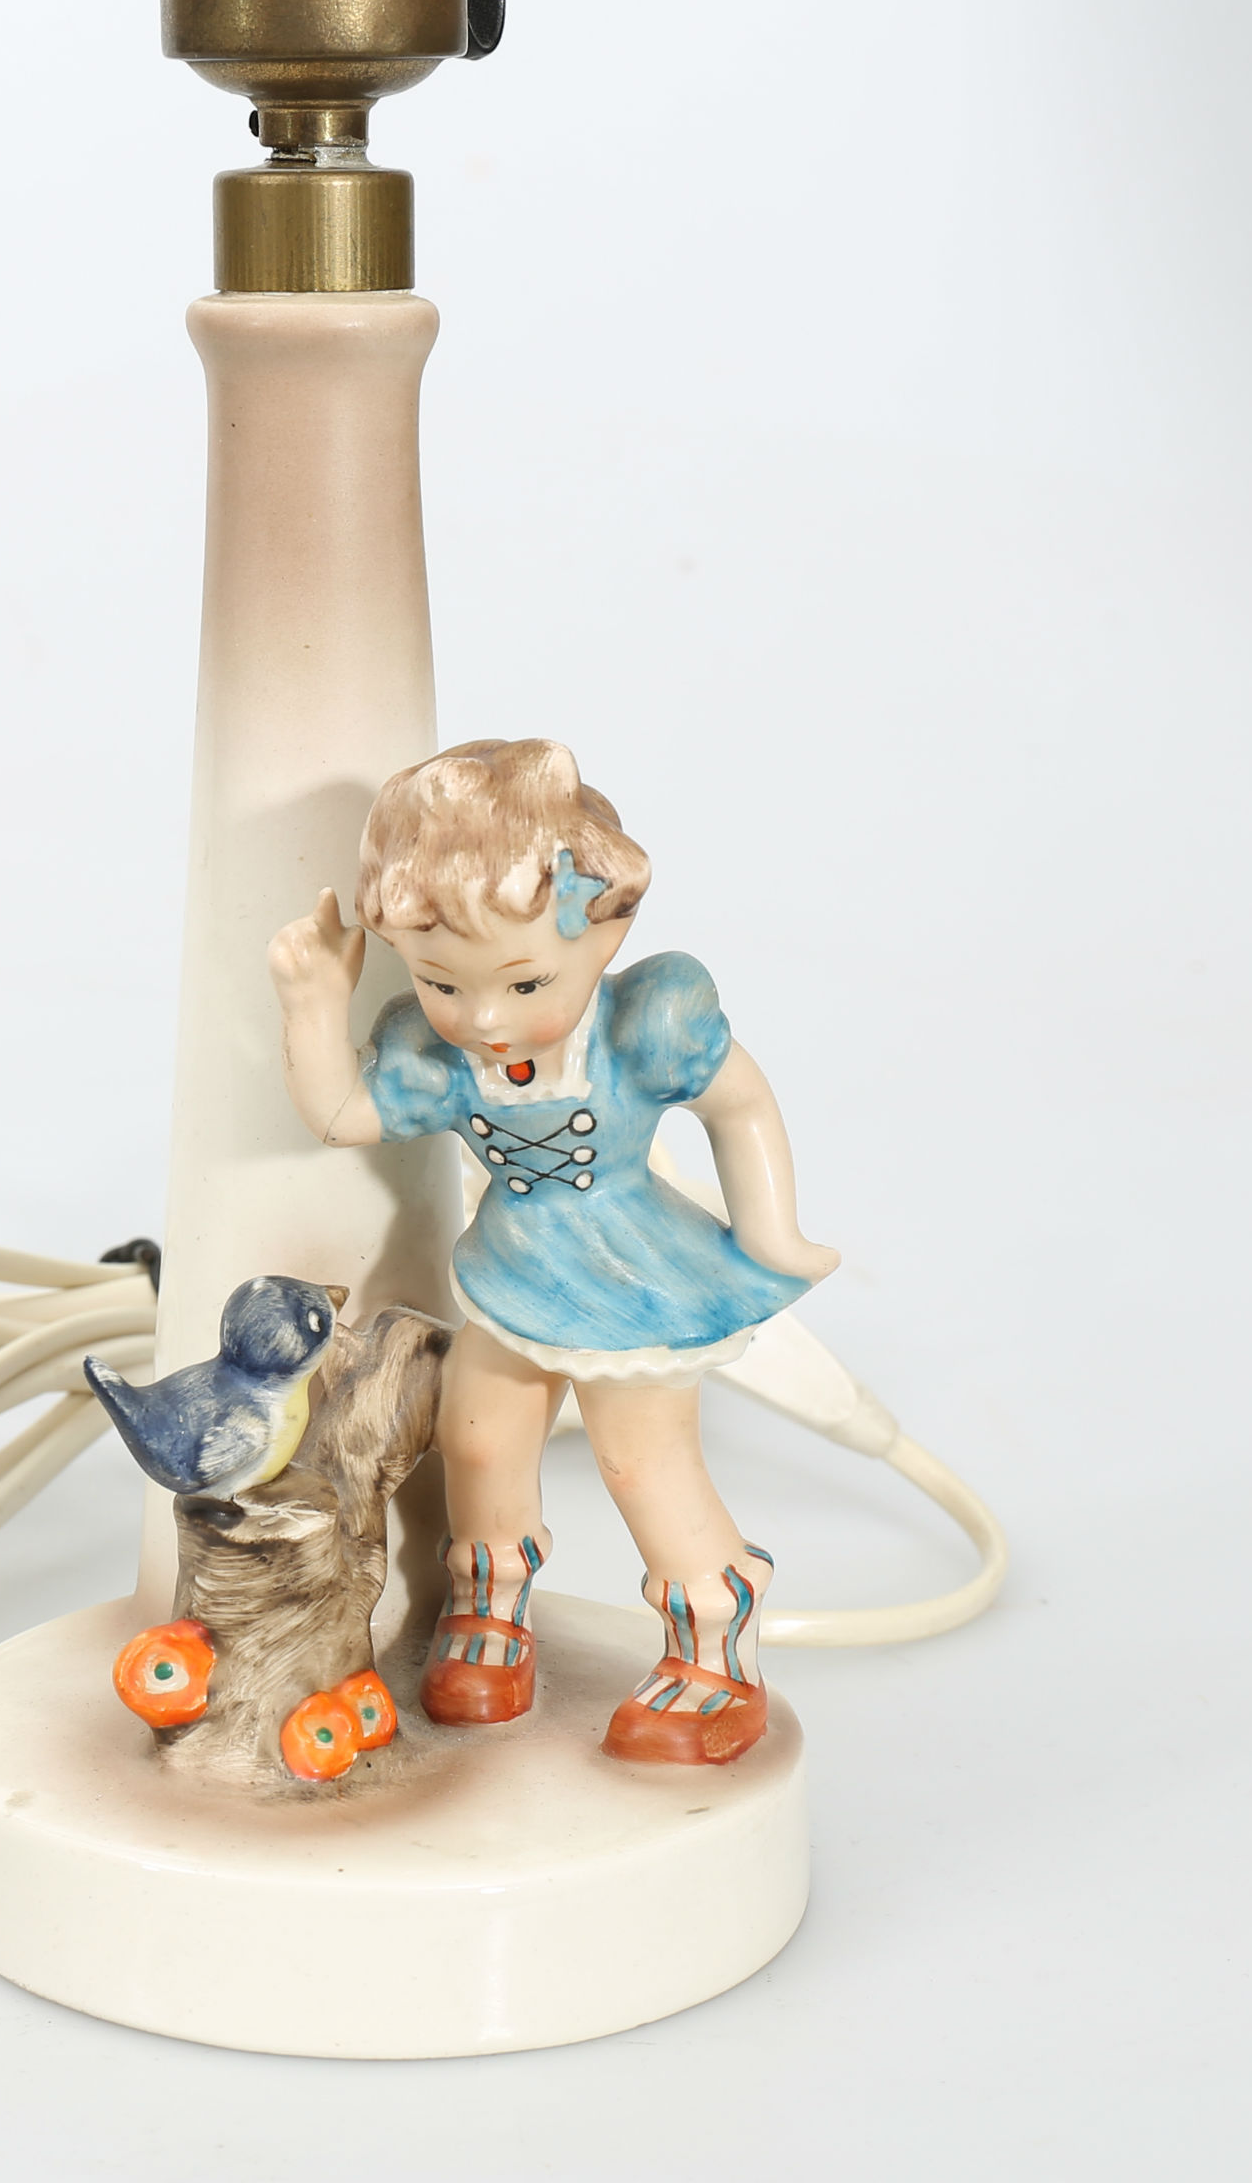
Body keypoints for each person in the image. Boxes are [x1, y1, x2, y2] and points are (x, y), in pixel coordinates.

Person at [268, 737, 838, 1764]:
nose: (484, 1019)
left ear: (604, 934)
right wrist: (313, 1005)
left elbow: (740, 1103)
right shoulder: (441, 1056)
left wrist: (769, 1233)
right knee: (478, 1436)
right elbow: (346, 1114)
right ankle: (490, 1611)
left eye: (526, 983)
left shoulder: (640, 1029)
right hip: (514, 1274)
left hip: (631, 1277)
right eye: (443, 984)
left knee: (638, 1460)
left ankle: (714, 1649)